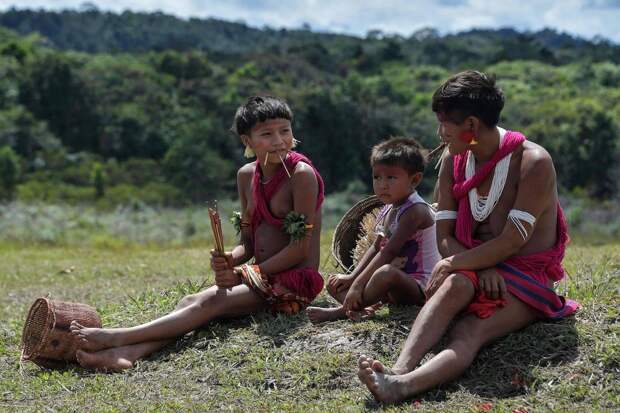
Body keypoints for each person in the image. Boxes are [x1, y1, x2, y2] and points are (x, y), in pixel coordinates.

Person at [357, 70, 579, 403]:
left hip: (525, 279)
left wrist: (463, 263)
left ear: (471, 126)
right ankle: (398, 369)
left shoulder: (533, 163)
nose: (439, 132)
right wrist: (476, 267)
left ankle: (402, 387)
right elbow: (443, 235)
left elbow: (512, 242)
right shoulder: (454, 159)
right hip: (476, 268)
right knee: (454, 284)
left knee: (469, 329)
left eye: (444, 123)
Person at [70, 95, 325, 371]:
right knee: (190, 301)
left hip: (294, 282)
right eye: (267, 134)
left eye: (285, 131)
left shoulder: (301, 175)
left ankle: (115, 337)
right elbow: (248, 244)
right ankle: (129, 354)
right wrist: (230, 258)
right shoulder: (246, 175)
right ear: (247, 141)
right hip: (261, 276)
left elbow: (300, 249)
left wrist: (243, 273)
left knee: (209, 302)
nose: (279, 140)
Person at [307, 137, 440, 323]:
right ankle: (361, 308)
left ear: (415, 180)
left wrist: (359, 284)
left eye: (391, 178)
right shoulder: (388, 208)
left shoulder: (415, 211)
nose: (382, 184)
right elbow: (377, 247)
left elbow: (389, 250)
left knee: (384, 273)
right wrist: (352, 276)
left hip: (419, 287)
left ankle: (342, 311)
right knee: (335, 283)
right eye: (377, 177)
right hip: (393, 285)